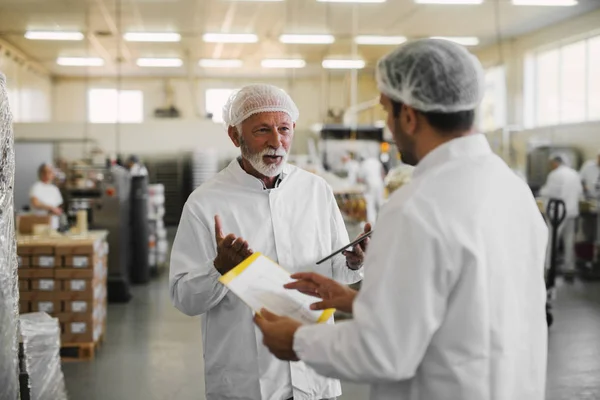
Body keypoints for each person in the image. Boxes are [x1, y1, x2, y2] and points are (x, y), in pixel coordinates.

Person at [255, 39, 549, 400]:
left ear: (408, 116)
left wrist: (296, 340)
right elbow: (468, 307)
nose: (389, 130)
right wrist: (357, 301)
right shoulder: (513, 190)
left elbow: (383, 352)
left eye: (386, 113)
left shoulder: (417, 206)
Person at [169, 84, 369, 400]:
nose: (277, 142)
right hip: (245, 380)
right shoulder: (205, 202)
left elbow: (334, 274)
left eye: (284, 129)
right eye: (263, 130)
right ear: (235, 136)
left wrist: (354, 262)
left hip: (315, 373)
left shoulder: (315, 191)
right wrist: (220, 270)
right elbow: (184, 298)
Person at [540, 154, 584, 279]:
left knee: (552, 241)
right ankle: (569, 268)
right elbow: (580, 191)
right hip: (571, 211)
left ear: (556, 163)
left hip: (557, 212)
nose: (550, 166)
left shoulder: (555, 174)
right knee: (569, 241)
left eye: (551, 163)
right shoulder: (574, 174)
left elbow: (550, 192)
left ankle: (548, 267)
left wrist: (542, 191)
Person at [29, 163, 63, 230]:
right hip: (39, 225)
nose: (47, 174)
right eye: (45, 172)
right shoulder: (36, 187)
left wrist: (57, 211)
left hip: (53, 226)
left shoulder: (54, 189)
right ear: (41, 173)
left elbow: (58, 207)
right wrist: (50, 208)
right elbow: (35, 203)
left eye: (50, 172)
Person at [357, 154, 385, 224]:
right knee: (380, 202)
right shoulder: (376, 162)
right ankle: (383, 219)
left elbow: (360, 178)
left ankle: (371, 222)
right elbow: (382, 173)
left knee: (370, 203)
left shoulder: (364, 164)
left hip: (370, 184)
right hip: (379, 183)